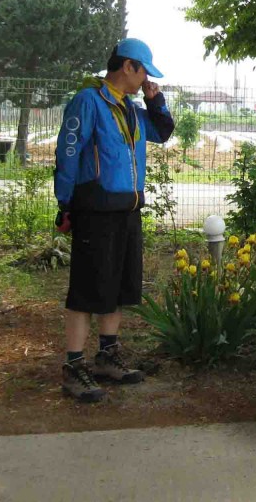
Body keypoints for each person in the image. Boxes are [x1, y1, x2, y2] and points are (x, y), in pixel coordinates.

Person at [54, 38, 175, 402]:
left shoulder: (132, 108)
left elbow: (163, 133)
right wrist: (66, 202)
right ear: (128, 67)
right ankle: (74, 366)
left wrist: (156, 101)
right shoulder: (89, 101)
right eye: (144, 74)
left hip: (128, 210)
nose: (145, 81)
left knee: (117, 286)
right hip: (96, 210)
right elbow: (68, 151)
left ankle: (108, 354)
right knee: (87, 290)